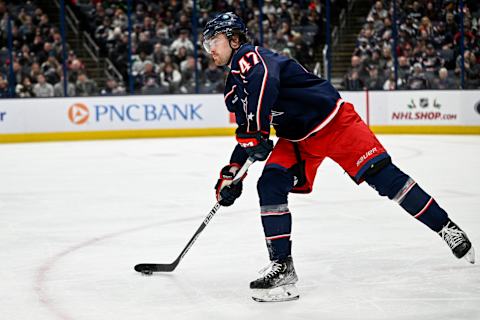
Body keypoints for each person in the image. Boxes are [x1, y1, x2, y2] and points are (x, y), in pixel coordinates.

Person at [203, 12, 475, 303]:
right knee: (270, 183)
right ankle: (283, 267)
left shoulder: (251, 57)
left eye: (215, 41)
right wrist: (233, 173)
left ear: (234, 39)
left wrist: (256, 132)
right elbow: (247, 133)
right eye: (207, 45)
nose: (211, 50)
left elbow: (264, 83)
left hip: (335, 123)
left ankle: (446, 227)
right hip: (298, 139)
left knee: (386, 179)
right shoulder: (234, 87)